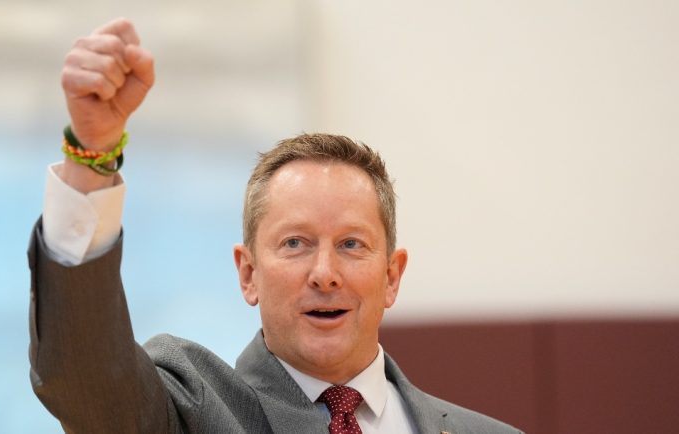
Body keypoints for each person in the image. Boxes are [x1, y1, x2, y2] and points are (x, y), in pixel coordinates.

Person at [28, 18, 523, 434]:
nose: (324, 273)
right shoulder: (194, 407)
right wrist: (91, 156)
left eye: (351, 244)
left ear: (392, 276)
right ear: (248, 274)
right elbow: (84, 377)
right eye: (295, 243)